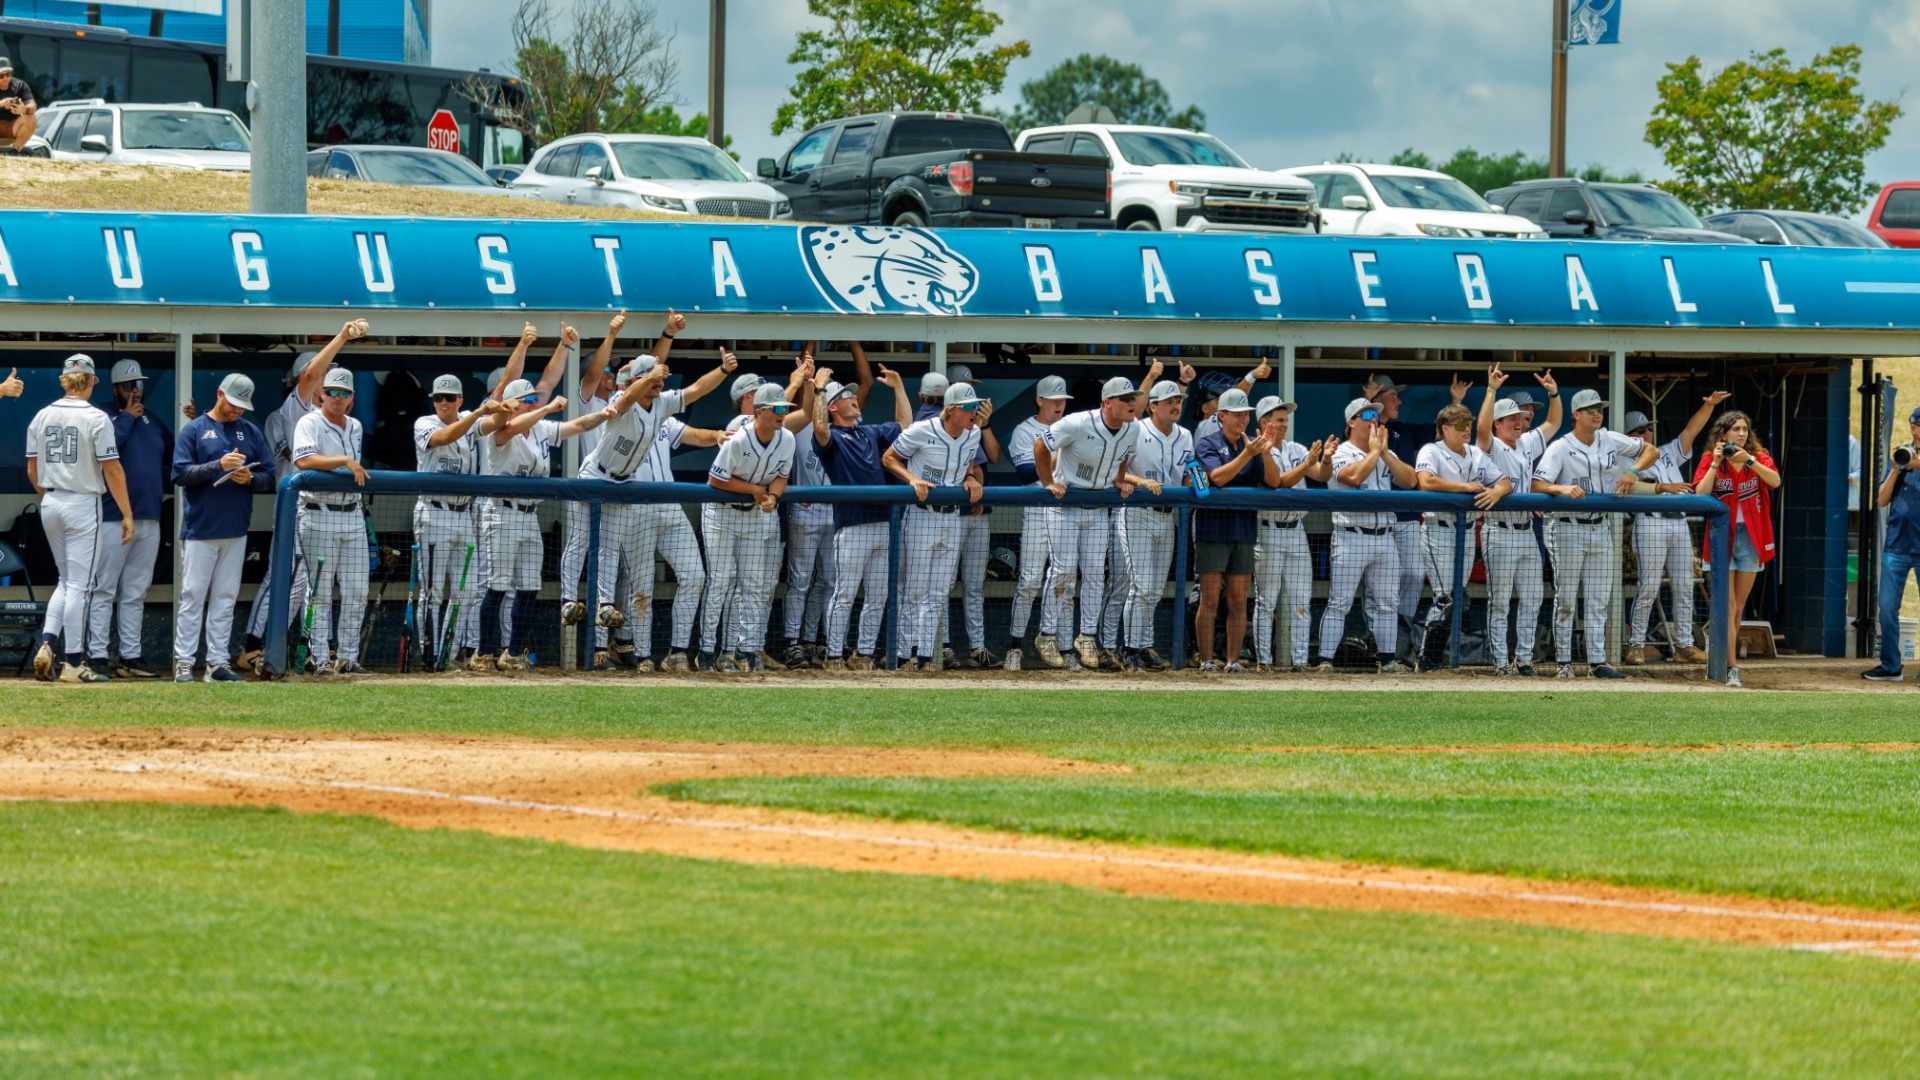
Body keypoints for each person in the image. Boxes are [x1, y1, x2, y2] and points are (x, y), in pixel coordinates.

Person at [238, 319, 369, 674]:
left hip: (337, 511)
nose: (335, 390)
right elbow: (311, 379)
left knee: (305, 584)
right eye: (328, 382)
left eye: (342, 388)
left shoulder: (349, 423)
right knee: (284, 576)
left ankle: (296, 649)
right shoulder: (292, 411)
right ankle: (254, 643)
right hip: (297, 506)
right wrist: (341, 337)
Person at [470, 377, 612, 673]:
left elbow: (576, 426)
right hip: (502, 513)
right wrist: (546, 408)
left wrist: (604, 414)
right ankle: (483, 653)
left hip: (529, 514)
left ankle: (513, 653)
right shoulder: (500, 431)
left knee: (529, 588)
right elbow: (513, 427)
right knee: (496, 588)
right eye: (528, 400)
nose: (534, 403)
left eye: (535, 399)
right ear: (513, 405)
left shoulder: (541, 429)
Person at [558, 314, 682, 642]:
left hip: (620, 483)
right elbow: (602, 374)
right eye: (606, 372)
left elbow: (651, 375)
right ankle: (572, 602)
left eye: (616, 372)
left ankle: (607, 616)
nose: (609, 376)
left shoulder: (640, 400)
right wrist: (610, 334)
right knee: (583, 543)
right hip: (593, 475)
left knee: (614, 555)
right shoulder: (590, 397)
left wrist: (667, 334)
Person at [1532, 388, 1660, 680]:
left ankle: (1597, 662)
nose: (1597, 413)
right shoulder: (1560, 447)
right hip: (1567, 525)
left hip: (1601, 525)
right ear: (1576, 415)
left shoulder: (1610, 438)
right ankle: (1564, 662)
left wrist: (1634, 472)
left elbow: (1651, 450)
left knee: (1598, 598)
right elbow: (1536, 485)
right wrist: (1561, 488)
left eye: (1599, 408)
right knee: (1566, 598)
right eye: (1591, 409)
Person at [26, 354, 133, 683]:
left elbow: (31, 469)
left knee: (65, 580)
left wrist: (50, 499)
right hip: (83, 502)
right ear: (90, 381)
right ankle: (73, 663)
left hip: (51, 500)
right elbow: (112, 470)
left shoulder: (41, 415)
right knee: (80, 586)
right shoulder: (97, 417)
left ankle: (48, 642)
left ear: (64, 380)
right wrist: (127, 513)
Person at [1035, 376, 1151, 671]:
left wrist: (1119, 478)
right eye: (1125, 399)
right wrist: (1048, 481)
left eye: (1133, 398)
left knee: (1095, 574)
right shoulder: (1076, 423)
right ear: (1107, 402)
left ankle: (1086, 636)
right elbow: (1041, 444)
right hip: (1065, 506)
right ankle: (1046, 634)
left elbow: (1124, 456)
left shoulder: (1133, 427)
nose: (1131, 403)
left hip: (1098, 507)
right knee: (1061, 572)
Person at [172, 374, 274, 683]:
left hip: (236, 528)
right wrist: (219, 465)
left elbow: (270, 477)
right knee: (192, 596)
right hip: (200, 528)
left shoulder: (250, 431)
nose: (237, 411)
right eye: (233, 404)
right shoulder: (194, 430)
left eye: (242, 406)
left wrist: (250, 479)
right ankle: (184, 664)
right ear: (219, 394)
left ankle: (217, 663)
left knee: (225, 597)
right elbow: (179, 474)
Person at [1363, 371, 1472, 657]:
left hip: (1408, 516)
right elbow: (1355, 428)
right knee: (1380, 584)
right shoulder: (1365, 428)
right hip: (1374, 519)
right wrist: (1366, 402)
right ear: (1377, 400)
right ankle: (1377, 641)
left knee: (1412, 574)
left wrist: (1455, 400)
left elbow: (1440, 433)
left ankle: (1403, 636)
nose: (1398, 400)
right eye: (1392, 396)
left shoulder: (1398, 431)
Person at [883, 382, 986, 671]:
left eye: (975, 407)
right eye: (969, 408)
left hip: (951, 518)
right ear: (951, 410)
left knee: (939, 592)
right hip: (921, 515)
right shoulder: (922, 429)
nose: (974, 412)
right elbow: (889, 457)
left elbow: (966, 464)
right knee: (914, 591)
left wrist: (970, 478)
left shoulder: (973, 433)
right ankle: (904, 656)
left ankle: (926, 658)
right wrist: (911, 478)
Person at [816, 361, 911, 671]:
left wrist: (898, 388)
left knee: (878, 595)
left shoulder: (869, 432)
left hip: (884, 521)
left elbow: (905, 427)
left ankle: (864, 654)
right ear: (833, 406)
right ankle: (833, 656)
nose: (854, 398)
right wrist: (818, 389)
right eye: (846, 396)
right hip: (852, 525)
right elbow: (818, 428)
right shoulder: (831, 436)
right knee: (844, 593)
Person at [1622, 392, 1729, 666]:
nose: (1647, 433)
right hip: (1650, 521)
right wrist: (1662, 488)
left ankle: (1683, 645)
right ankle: (1635, 644)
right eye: (1640, 430)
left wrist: (1708, 405)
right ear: (1628, 435)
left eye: (1648, 428)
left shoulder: (1667, 451)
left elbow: (1692, 430)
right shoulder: (1626, 462)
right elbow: (1629, 488)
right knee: (1649, 586)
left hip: (1677, 523)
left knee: (1684, 586)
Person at [413, 373, 509, 672]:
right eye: (438, 397)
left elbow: (497, 423)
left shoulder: (470, 419)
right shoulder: (424, 422)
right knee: (432, 594)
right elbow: (445, 437)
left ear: (459, 400)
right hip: (433, 512)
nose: (443, 402)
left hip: (463, 514)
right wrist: (481, 411)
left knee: (464, 592)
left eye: (449, 398)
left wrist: (506, 405)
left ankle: (448, 655)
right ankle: (429, 655)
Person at [1316, 397, 1417, 673]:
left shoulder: (1385, 451)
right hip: (1351, 535)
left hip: (1385, 536)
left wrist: (1383, 453)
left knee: (1388, 603)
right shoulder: (1341, 451)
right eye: (1368, 414)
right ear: (1351, 422)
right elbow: (1353, 477)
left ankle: (1387, 660)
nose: (1375, 419)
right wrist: (1375, 453)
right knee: (1340, 602)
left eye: (1377, 415)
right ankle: (1326, 661)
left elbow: (1410, 481)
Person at [702, 383, 798, 673]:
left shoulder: (788, 439)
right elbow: (715, 480)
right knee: (720, 581)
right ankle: (707, 651)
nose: (783, 413)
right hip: (721, 514)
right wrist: (756, 489)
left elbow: (782, 475)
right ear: (759, 412)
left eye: (785, 409)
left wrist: (773, 497)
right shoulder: (739, 439)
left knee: (754, 584)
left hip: (754, 514)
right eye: (777, 409)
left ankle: (744, 650)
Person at [1474, 363, 1562, 676]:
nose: (1518, 423)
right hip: (1499, 530)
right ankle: (1500, 662)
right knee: (1499, 601)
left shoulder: (1526, 442)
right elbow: (1481, 431)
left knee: (1532, 598)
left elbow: (1553, 422)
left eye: (1519, 418)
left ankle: (1523, 659)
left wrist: (1554, 393)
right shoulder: (1490, 445)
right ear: (1498, 423)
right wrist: (1491, 390)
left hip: (1526, 532)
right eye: (1511, 419)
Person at [84, 360, 169, 678]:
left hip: (149, 515)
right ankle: (96, 654)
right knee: (103, 588)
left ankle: (131, 656)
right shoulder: (103, 415)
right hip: (112, 515)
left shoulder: (153, 419)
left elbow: (172, 454)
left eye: (139, 385)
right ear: (115, 388)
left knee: (136, 590)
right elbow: (103, 450)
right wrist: (125, 420)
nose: (135, 391)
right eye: (129, 386)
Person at [291, 367, 376, 677]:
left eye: (344, 393)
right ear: (322, 394)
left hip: (351, 513)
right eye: (332, 392)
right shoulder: (309, 421)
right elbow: (303, 460)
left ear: (351, 398)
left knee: (357, 590)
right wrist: (343, 461)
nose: (337, 398)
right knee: (321, 591)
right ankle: (319, 657)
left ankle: (348, 657)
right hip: (318, 511)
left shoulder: (355, 426)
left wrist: (348, 464)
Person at [1413, 404, 1512, 669]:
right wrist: (1464, 487)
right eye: (1459, 425)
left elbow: (1505, 481)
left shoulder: (1476, 454)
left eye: (1468, 423)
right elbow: (1426, 481)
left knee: (1457, 595)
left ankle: (1439, 657)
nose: (1466, 428)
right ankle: (1427, 659)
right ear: (1445, 428)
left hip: (1467, 532)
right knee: (1444, 597)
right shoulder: (1432, 450)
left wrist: (1497, 492)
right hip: (1439, 530)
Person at [1191, 388, 1279, 672]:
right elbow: (1216, 478)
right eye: (1237, 414)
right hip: (1213, 528)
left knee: (1239, 599)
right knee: (1210, 598)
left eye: (1246, 415)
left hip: (1243, 528)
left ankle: (1233, 660)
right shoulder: (1207, 444)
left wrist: (1264, 452)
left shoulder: (1252, 444)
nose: (1243, 420)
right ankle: (1206, 660)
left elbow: (1274, 482)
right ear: (1221, 416)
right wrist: (1247, 455)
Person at [1692, 409, 1780, 689]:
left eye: (1744, 429)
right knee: (1727, 607)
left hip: (1750, 538)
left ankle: (1722, 655)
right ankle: (1731, 667)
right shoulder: (1711, 458)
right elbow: (1700, 494)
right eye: (1735, 430)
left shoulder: (1758, 455)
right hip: (1721, 537)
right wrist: (1717, 463)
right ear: (1723, 434)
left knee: (1738, 608)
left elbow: (1775, 481)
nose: (1741, 434)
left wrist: (1749, 460)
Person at [1115, 380, 1197, 671]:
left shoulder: (1185, 435)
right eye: (1169, 402)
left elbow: (1188, 472)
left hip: (1167, 517)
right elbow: (1117, 473)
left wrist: (1198, 483)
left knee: (1156, 589)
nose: (1176, 406)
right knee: (1143, 587)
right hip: (1137, 512)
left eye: (1179, 401)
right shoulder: (1135, 430)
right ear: (1153, 406)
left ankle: (1142, 644)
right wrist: (1140, 482)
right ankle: (1130, 649)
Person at [1251, 396, 1332, 673]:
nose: (1284, 424)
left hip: (1296, 530)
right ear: (1264, 423)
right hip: (1269, 530)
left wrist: (1327, 459)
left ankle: (1300, 661)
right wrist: (1307, 463)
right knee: (1267, 601)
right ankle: (1264, 661)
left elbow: (1321, 474)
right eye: (1279, 420)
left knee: (1301, 600)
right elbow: (1279, 483)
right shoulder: (1256, 449)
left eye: (1286, 419)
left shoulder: (1296, 448)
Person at [1002, 374, 1073, 670]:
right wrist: (1058, 455)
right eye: (1053, 400)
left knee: (1066, 583)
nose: (1059, 406)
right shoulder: (1025, 430)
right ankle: (1014, 647)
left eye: (1063, 401)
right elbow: (1025, 473)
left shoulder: (1072, 428)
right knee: (1030, 580)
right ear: (1039, 400)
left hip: (1067, 510)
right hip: (1036, 507)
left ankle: (1065, 648)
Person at [1864, 407, 1920, 683]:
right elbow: (1881, 500)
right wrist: (1897, 468)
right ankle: (1890, 666)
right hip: (1897, 545)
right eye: (1918, 424)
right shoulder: (1902, 457)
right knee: (1886, 608)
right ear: (1912, 427)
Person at [0, 58, 38, 153]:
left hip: (11, 126)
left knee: (31, 118)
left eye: (8, 74)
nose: (5, 78)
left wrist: (24, 109)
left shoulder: (20, 85)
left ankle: (15, 151)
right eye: (1, 76)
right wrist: (2, 103)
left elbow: (32, 105)